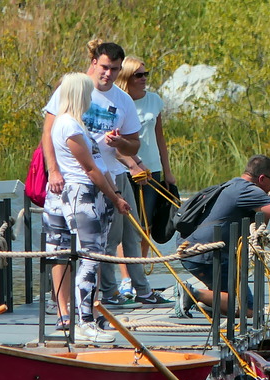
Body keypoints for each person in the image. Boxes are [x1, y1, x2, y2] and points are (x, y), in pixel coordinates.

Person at [47, 40, 172, 309]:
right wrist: (53, 170)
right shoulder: (74, 89)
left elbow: (133, 143)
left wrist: (121, 145)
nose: (108, 74)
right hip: (76, 178)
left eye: (115, 69)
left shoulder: (123, 99)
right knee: (78, 243)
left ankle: (131, 290)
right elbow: (48, 132)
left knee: (126, 234)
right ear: (93, 63)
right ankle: (86, 300)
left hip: (113, 174)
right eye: (104, 67)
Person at [49, 73, 130, 342]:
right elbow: (90, 168)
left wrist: (114, 194)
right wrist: (115, 198)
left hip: (97, 193)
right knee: (90, 256)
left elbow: (102, 165)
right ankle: (83, 321)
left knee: (95, 255)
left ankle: (88, 317)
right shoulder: (67, 125)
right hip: (82, 193)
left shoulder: (78, 124)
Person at [175, 154, 270, 318]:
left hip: (193, 251)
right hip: (208, 256)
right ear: (261, 178)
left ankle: (213, 302)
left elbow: (258, 227)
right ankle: (192, 294)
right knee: (249, 309)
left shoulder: (235, 185)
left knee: (235, 299)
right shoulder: (247, 190)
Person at [114, 56, 176, 259]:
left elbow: (160, 137)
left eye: (145, 74)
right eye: (138, 75)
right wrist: (132, 165)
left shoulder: (154, 100)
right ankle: (125, 279)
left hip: (152, 169)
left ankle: (139, 270)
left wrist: (167, 172)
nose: (144, 78)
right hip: (123, 169)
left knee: (145, 225)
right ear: (126, 78)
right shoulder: (118, 102)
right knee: (127, 227)